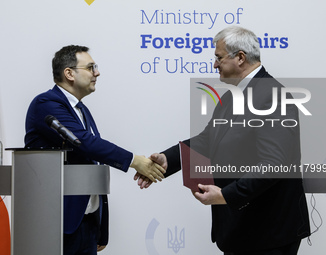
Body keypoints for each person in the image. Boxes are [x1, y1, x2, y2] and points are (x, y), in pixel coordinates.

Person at [136, 26, 311, 254]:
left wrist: (226, 195)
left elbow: (275, 165)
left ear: (240, 58)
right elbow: (209, 139)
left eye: (218, 58)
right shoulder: (232, 96)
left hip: (268, 232)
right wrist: (168, 159)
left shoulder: (273, 96)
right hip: (243, 229)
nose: (214, 65)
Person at [24, 45, 165, 255]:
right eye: (91, 67)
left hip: (86, 224)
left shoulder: (81, 109)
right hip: (57, 224)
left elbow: (91, 160)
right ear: (69, 73)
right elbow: (85, 143)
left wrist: (101, 229)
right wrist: (136, 161)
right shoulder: (46, 103)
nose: (97, 73)